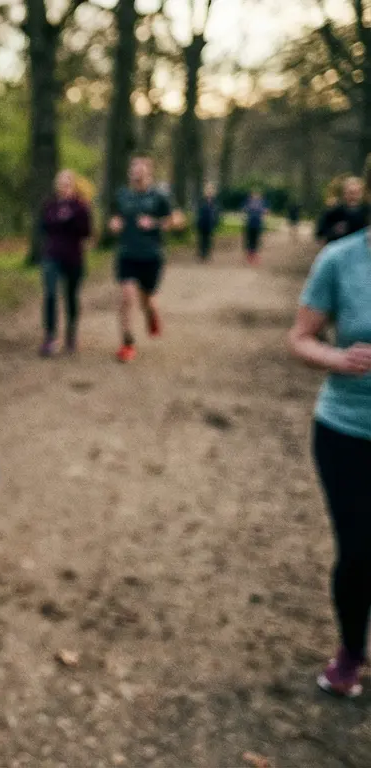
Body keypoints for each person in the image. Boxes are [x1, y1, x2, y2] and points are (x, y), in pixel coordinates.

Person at [288, 174, 371, 698]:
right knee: (360, 551)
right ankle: (351, 650)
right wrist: (337, 358)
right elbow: (299, 337)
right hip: (347, 429)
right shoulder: (341, 259)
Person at [108, 155, 175, 363]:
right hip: (127, 254)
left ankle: (151, 315)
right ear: (130, 173)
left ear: (149, 173)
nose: (137, 172)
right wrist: (114, 224)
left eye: (141, 169)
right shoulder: (122, 195)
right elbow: (115, 216)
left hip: (151, 256)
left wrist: (154, 223)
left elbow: (176, 220)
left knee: (147, 301)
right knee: (127, 297)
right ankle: (127, 344)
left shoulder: (159, 196)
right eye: (134, 168)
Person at [37, 169, 92, 356]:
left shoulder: (80, 207)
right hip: (52, 255)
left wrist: (70, 219)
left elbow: (86, 231)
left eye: (67, 182)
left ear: (73, 185)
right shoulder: (49, 205)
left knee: (70, 297)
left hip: (73, 257)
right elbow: (43, 226)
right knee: (50, 294)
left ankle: (71, 333)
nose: (64, 186)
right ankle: (50, 336)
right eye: (61, 182)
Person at [316, 176, 370, 245]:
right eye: (350, 193)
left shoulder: (367, 212)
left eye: (356, 192)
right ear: (344, 193)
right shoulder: (333, 212)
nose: (353, 196)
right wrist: (334, 231)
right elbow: (320, 234)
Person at [195, 182, 219, 262]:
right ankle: (202, 254)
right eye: (208, 189)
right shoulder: (201, 200)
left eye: (210, 190)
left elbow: (216, 211)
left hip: (210, 223)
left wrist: (215, 220)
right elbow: (198, 211)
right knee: (201, 239)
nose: (209, 191)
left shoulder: (214, 201)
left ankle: (207, 253)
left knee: (208, 239)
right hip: (202, 222)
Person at [243, 188, 268, 265]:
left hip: (257, 224)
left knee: (256, 240)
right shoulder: (248, 202)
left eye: (257, 194)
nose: (256, 196)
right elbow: (244, 210)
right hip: (250, 224)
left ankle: (255, 255)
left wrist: (264, 214)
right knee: (249, 240)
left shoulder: (261, 203)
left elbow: (265, 211)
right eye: (254, 194)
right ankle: (250, 255)